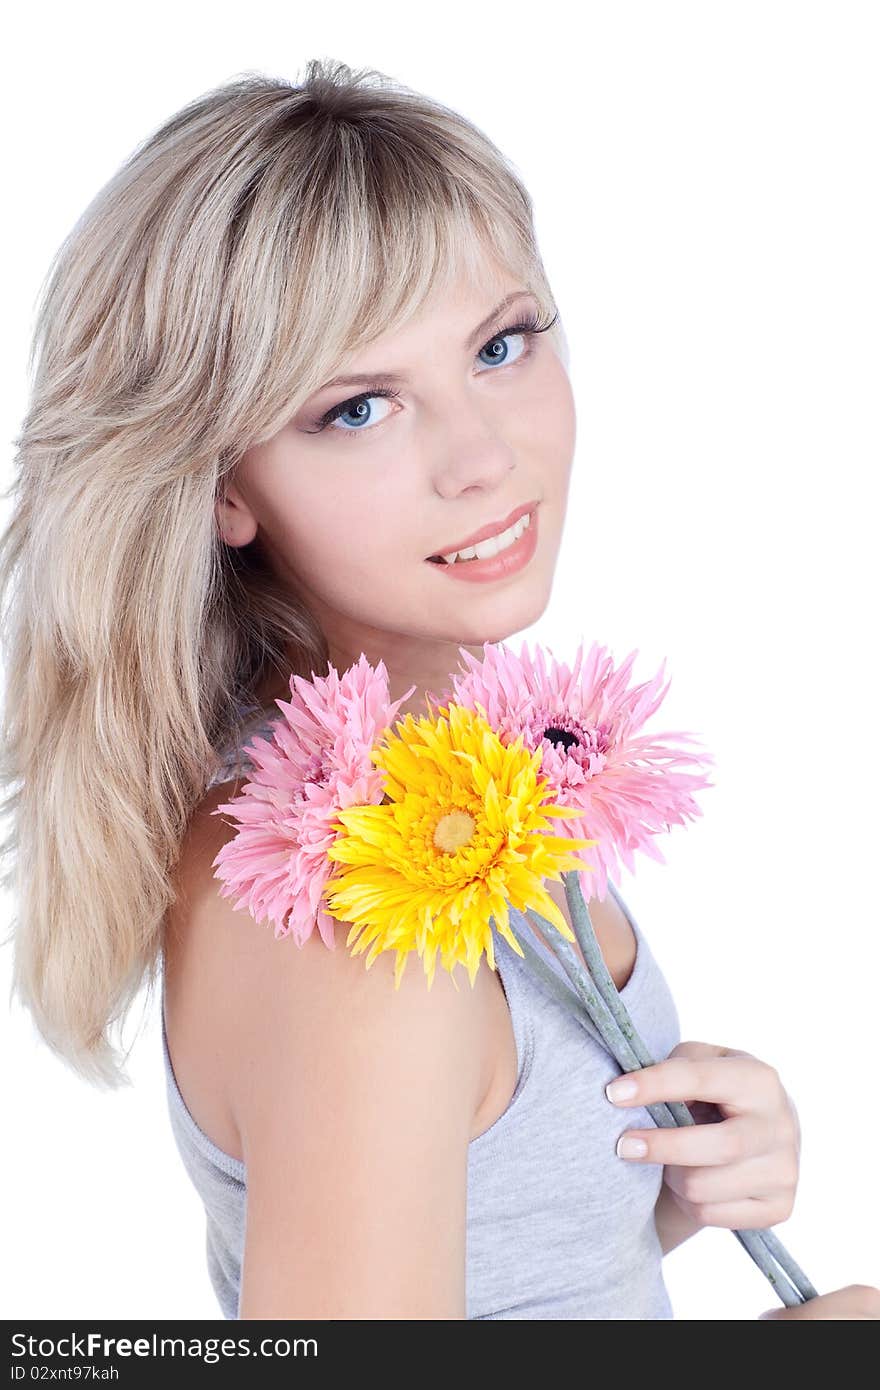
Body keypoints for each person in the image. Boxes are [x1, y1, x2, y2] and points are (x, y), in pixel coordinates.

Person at [1, 59, 876, 1322]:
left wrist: (635, 1204)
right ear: (221, 487)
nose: (482, 456)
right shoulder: (361, 911)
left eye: (500, 345)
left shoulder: (444, 779)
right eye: (357, 408)